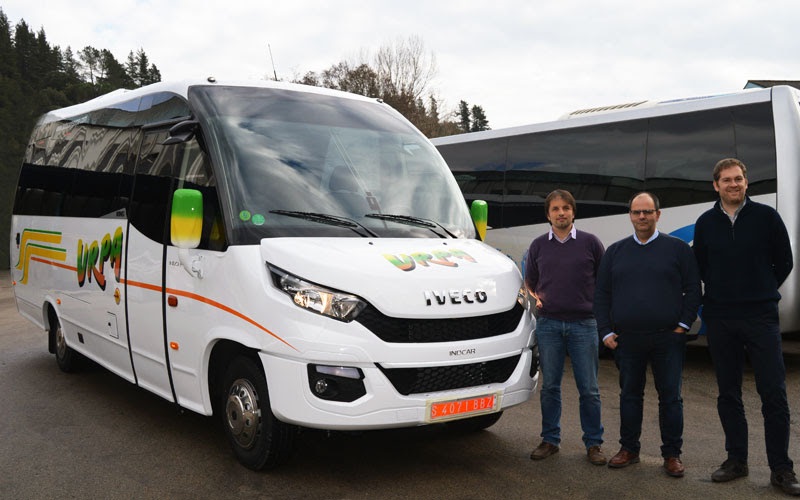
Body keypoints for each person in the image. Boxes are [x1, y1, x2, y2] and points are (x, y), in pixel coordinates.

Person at [693, 158, 800, 496]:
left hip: (761, 317)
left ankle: (781, 470)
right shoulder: (706, 222)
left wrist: (761, 288)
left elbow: (785, 260)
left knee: (774, 394)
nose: (734, 184)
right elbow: (702, 267)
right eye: (727, 180)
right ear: (716, 185)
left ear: (746, 182)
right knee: (728, 393)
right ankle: (736, 461)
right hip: (721, 318)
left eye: (738, 178)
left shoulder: (767, 217)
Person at [594, 192, 701, 478]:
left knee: (671, 398)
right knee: (630, 396)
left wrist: (684, 324)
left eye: (648, 212)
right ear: (630, 215)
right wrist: (605, 331)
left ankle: (672, 454)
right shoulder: (615, 252)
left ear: (658, 214)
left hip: (668, 338)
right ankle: (629, 449)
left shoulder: (677, 249)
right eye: (637, 212)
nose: (642, 217)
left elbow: (693, 288)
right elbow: (602, 294)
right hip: (628, 339)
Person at [525, 190, 607, 466]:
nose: (561, 213)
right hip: (548, 324)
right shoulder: (538, 246)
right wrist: (543, 301)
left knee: (590, 389)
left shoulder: (590, 243)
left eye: (566, 208)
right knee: (550, 387)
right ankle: (550, 439)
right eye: (555, 209)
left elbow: (604, 281)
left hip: (584, 324)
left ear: (573, 212)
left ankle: (594, 444)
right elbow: (531, 282)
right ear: (548, 214)